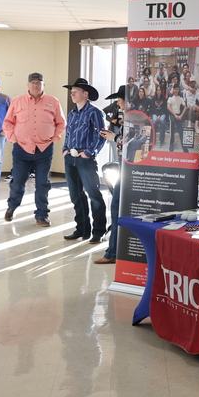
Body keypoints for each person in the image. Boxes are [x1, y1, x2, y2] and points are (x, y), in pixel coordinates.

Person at [2, 72, 66, 227]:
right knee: (17, 182)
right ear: (28, 85)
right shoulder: (17, 101)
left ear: (43, 85)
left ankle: (41, 215)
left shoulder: (53, 101)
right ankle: (12, 206)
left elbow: (61, 123)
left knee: (42, 184)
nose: (36, 85)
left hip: (44, 149)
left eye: (39, 83)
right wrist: (13, 138)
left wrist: (54, 138)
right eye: (33, 83)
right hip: (22, 149)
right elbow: (8, 123)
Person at [61, 78, 107, 243]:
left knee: (93, 195)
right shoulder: (72, 113)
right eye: (71, 91)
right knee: (76, 196)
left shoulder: (95, 112)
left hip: (85, 159)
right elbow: (69, 134)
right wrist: (65, 149)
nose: (72, 94)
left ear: (85, 94)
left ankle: (99, 231)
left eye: (76, 91)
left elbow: (101, 136)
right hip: (70, 159)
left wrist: (88, 152)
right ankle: (82, 229)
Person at [96, 86, 126, 264]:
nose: (117, 103)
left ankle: (113, 253)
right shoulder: (127, 118)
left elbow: (135, 140)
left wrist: (113, 138)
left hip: (128, 167)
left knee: (116, 207)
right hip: (126, 164)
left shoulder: (132, 118)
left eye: (120, 100)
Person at [166, 84, 187, 152]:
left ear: (179, 90)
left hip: (179, 115)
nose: (176, 90)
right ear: (173, 89)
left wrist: (181, 115)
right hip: (172, 115)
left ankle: (184, 146)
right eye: (175, 89)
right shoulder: (170, 98)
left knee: (181, 130)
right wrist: (174, 114)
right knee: (172, 129)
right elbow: (168, 107)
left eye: (177, 89)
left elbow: (185, 107)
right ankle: (171, 145)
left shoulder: (181, 98)